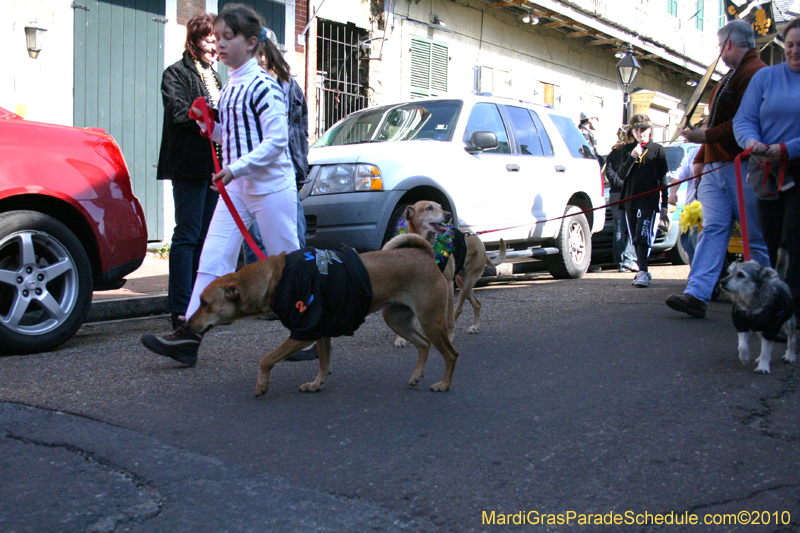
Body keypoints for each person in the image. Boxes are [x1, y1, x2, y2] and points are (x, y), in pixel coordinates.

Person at [141, 3, 300, 365]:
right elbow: (233, 135)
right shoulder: (229, 87)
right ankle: (188, 335)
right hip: (239, 189)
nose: (220, 44)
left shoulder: (264, 85)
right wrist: (207, 125)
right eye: (217, 38)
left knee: (289, 262)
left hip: (271, 188)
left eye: (228, 37)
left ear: (251, 42)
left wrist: (235, 169)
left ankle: (307, 331)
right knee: (212, 259)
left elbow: (277, 141)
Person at [666, 19, 771, 318]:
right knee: (714, 229)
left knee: (754, 235)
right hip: (719, 164)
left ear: (728, 44)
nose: (719, 52)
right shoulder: (738, 73)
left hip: (742, 164)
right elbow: (719, 122)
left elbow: (743, 121)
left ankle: (765, 299)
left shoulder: (755, 72)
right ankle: (697, 293)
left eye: (720, 46)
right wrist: (703, 152)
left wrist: (705, 139)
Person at [157, 13, 222, 330]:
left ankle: (200, 304)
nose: (215, 46)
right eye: (209, 40)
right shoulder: (175, 73)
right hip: (188, 166)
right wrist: (208, 113)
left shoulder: (216, 77)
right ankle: (181, 307)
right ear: (195, 41)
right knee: (187, 235)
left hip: (213, 168)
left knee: (206, 237)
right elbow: (179, 112)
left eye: (217, 40)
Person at [733, 17, 800, 315]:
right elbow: (744, 118)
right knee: (772, 242)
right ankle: (777, 306)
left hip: (795, 168)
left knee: (793, 242)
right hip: (766, 170)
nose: (795, 51)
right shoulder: (765, 77)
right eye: (791, 45)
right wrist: (751, 141)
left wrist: (785, 149)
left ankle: (791, 310)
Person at [243, 36, 310, 265]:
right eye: (254, 55)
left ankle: (296, 281)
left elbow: (300, 127)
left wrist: (300, 164)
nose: (260, 59)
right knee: (258, 239)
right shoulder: (245, 86)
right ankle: (259, 285)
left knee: (296, 233)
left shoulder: (289, 85)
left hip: (286, 170)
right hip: (255, 173)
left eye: (263, 53)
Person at [616, 114, 670, 288]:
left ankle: (643, 271)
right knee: (634, 236)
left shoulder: (658, 150)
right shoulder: (627, 149)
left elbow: (663, 178)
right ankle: (641, 269)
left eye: (644, 129)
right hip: (630, 198)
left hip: (649, 199)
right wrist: (632, 156)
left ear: (650, 130)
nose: (641, 133)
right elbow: (620, 175)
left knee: (643, 234)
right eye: (637, 130)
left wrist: (665, 204)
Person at [604, 125, 639, 272]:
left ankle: (619, 262)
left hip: (615, 194)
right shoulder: (634, 151)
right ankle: (629, 259)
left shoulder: (613, 153)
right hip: (630, 192)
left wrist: (618, 183)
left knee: (619, 229)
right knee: (633, 228)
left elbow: (609, 174)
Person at [667, 144, 701, 263]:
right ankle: (695, 269)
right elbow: (678, 176)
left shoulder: (717, 151)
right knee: (687, 241)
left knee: (698, 241)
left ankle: (702, 270)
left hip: (710, 207)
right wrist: (672, 193)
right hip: (692, 207)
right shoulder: (692, 154)